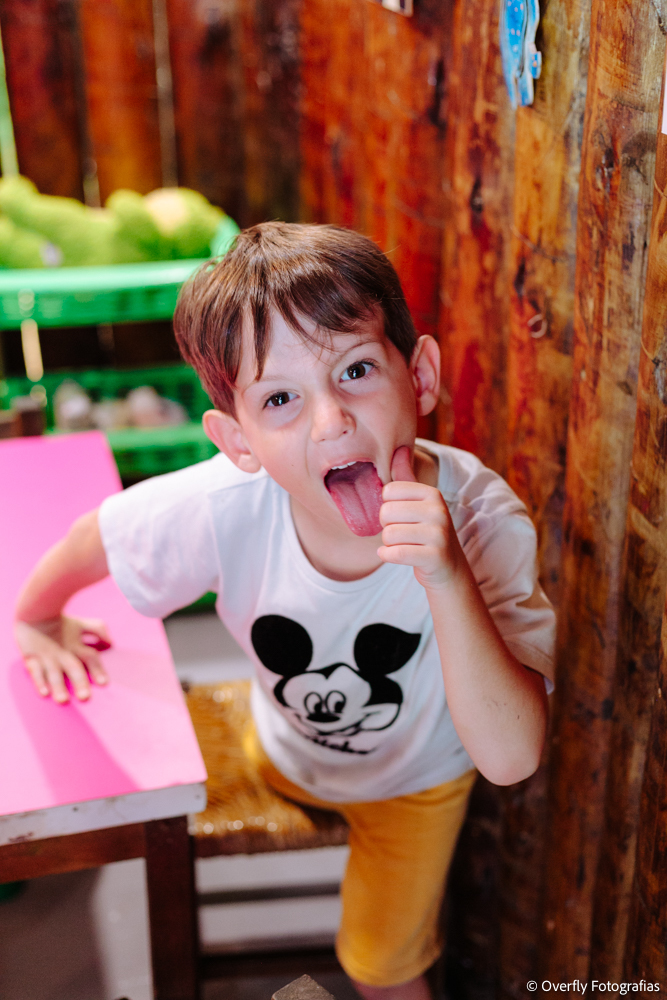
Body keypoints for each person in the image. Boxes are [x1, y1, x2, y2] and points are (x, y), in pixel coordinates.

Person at [15, 223, 554, 1000]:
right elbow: (100, 535)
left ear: (422, 375)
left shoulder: (481, 522)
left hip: (417, 782)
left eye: (358, 369)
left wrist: (446, 577)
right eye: (280, 398)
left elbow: (511, 758)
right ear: (237, 441)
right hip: (277, 749)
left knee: (384, 968)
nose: (330, 421)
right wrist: (37, 616)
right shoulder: (224, 503)